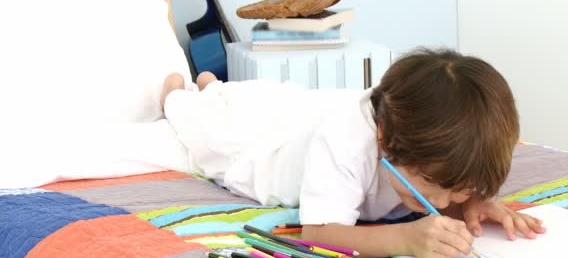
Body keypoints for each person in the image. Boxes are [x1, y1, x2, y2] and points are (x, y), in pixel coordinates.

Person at [161, 48, 545, 257]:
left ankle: (213, 86)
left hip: (304, 114)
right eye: (436, 186)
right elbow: (318, 233)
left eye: (458, 190)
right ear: (386, 140)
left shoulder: (419, 143)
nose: (442, 201)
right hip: (267, 151)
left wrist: (473, 202)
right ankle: (179, 96)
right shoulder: (346, 142)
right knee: (207, 134)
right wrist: (406, 240)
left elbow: (447, 187)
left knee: (255, 99)